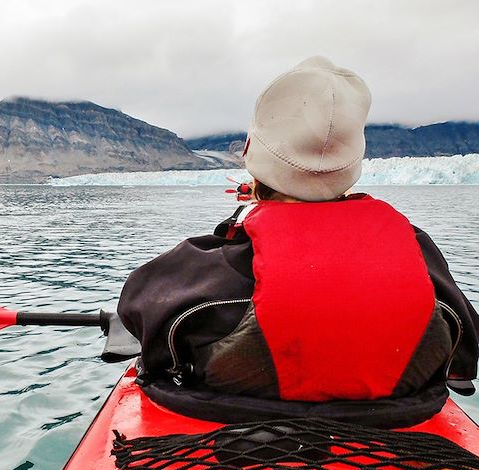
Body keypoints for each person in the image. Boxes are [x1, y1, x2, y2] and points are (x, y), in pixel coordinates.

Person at [117, 56, 479, 426]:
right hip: (398, 438)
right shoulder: (417, 255)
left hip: (235, 441)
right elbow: (463, 348)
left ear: (254, 161)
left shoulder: (220, 266)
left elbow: (138, 310)